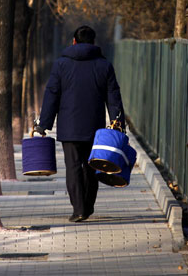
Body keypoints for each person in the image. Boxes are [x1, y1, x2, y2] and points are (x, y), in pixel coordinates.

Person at [34, 25, 125, 222]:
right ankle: (88, 206)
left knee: (73, 167)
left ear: (73, 41)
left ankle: (79, 209)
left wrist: (44, 124)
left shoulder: (61, 64)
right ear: (93, 43)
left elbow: (52, 94)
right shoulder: (104, 65)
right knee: (92, 166)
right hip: (96, 128)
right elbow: (113, 97)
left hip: (69, 127)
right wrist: (118, 123)